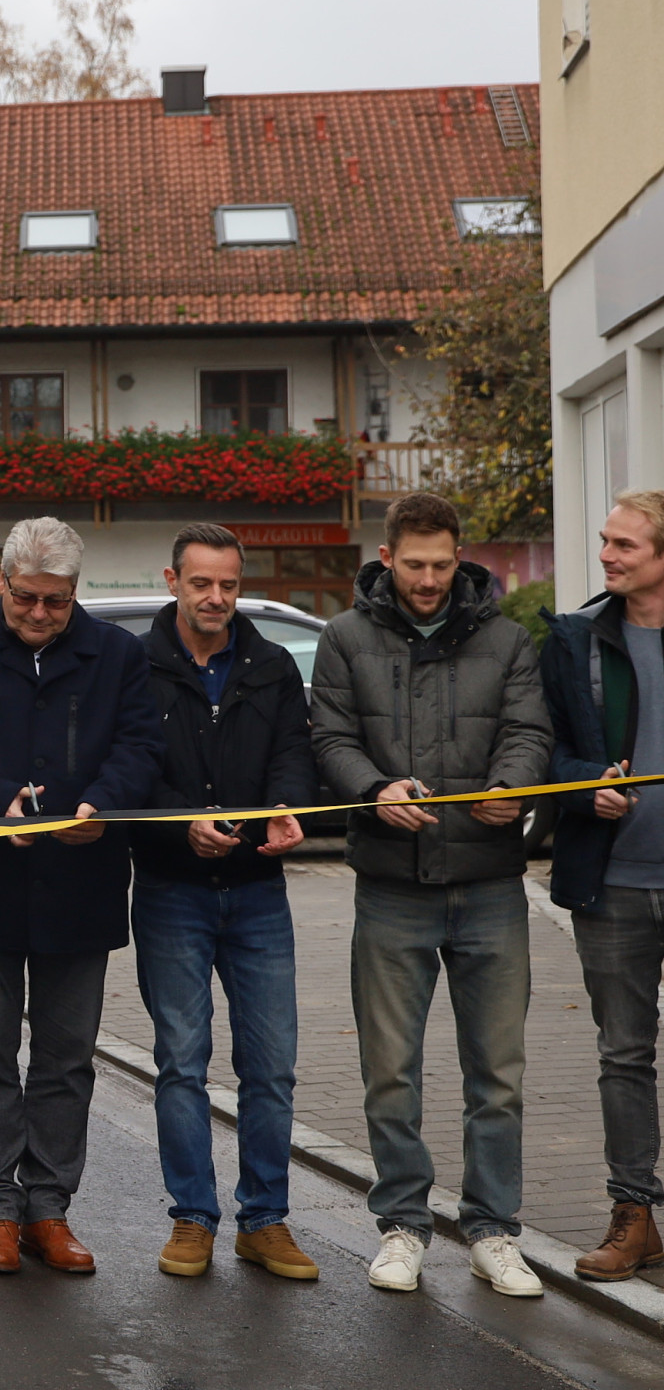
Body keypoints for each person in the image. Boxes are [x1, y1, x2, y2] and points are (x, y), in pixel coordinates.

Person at [312, 491, 551, 1298]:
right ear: (386, 558)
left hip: (490, 884)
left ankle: (493, 1231)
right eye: (413, 565)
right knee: (391, 1072)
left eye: (442, 565)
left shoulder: (508, 638)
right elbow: (330, 737)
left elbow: (529, 731)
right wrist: (373, 789)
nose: (427, 580)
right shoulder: (344, 638)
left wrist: (513, 784)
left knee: (499, 1075)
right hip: (390, 886)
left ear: (460, 556)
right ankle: (403, 1227)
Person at [0, 516, 161, 1278]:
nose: (38, 613)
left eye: (55, 602)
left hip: (82, 884)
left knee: (65, 1058)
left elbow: (140, 747)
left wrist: (103, 803)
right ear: (1, 583)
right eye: (25, 598)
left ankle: (49, 1207)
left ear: (74, 592)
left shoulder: (119, 654)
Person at [130, 523, 320, 1283]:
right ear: (172, 580)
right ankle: (192, 1218)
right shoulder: (136, 665)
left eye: (229, 585)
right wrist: (180, 824)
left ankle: (265, 1221)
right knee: (181, 1062)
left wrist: (286, 807)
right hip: (170, 890)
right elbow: (129, 767)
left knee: (271, 1067)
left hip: (258, 893)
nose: (216, 597)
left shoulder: (271, 665)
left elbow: (294, 753)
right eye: (202, 583)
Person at [548, 489, 664, 1282]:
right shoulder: (577, 639)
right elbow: (544, 752)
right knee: (624, 1054)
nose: (606, 556)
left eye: (625, 545)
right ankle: (634, 1217)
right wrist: (585, 785)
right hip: (614, 882)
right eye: (605, 541)